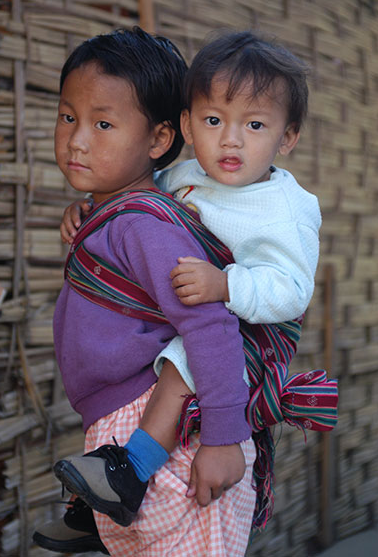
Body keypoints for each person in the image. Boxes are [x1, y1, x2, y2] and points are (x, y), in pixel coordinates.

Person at [52, 28, 330, 547]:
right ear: (185, 125)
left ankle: (131, 469)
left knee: (181, 358)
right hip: (212, 332)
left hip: (251, 331)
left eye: (253, 124)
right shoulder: (188, 175)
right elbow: (140, 190)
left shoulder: (282, 209)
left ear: (287, 137)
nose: (230, 139)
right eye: (212, 120)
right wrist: (89, 212)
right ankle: (114, 493)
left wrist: (227, 285)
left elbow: (290, 289)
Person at [33, 27, 256, 557]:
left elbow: (210, 323)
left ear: (158, 140)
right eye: (69, 117)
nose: (77, 139)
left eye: (103, 123)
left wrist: (224, 437)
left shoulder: (144, 228)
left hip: (170, 433)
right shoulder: (111, 218)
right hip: (128, 432)